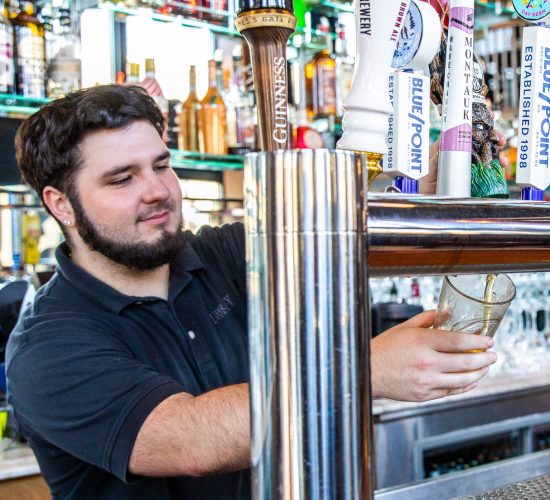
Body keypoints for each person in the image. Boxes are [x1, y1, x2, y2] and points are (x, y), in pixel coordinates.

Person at [6, 85, 496, 499]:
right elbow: (188, 439)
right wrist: (366, 369)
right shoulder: (46, 347)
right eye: (122, 178)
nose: (157, 190)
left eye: (161, 165)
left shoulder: (225, 254)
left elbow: (352, 227)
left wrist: (439, 167)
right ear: (61, 204)